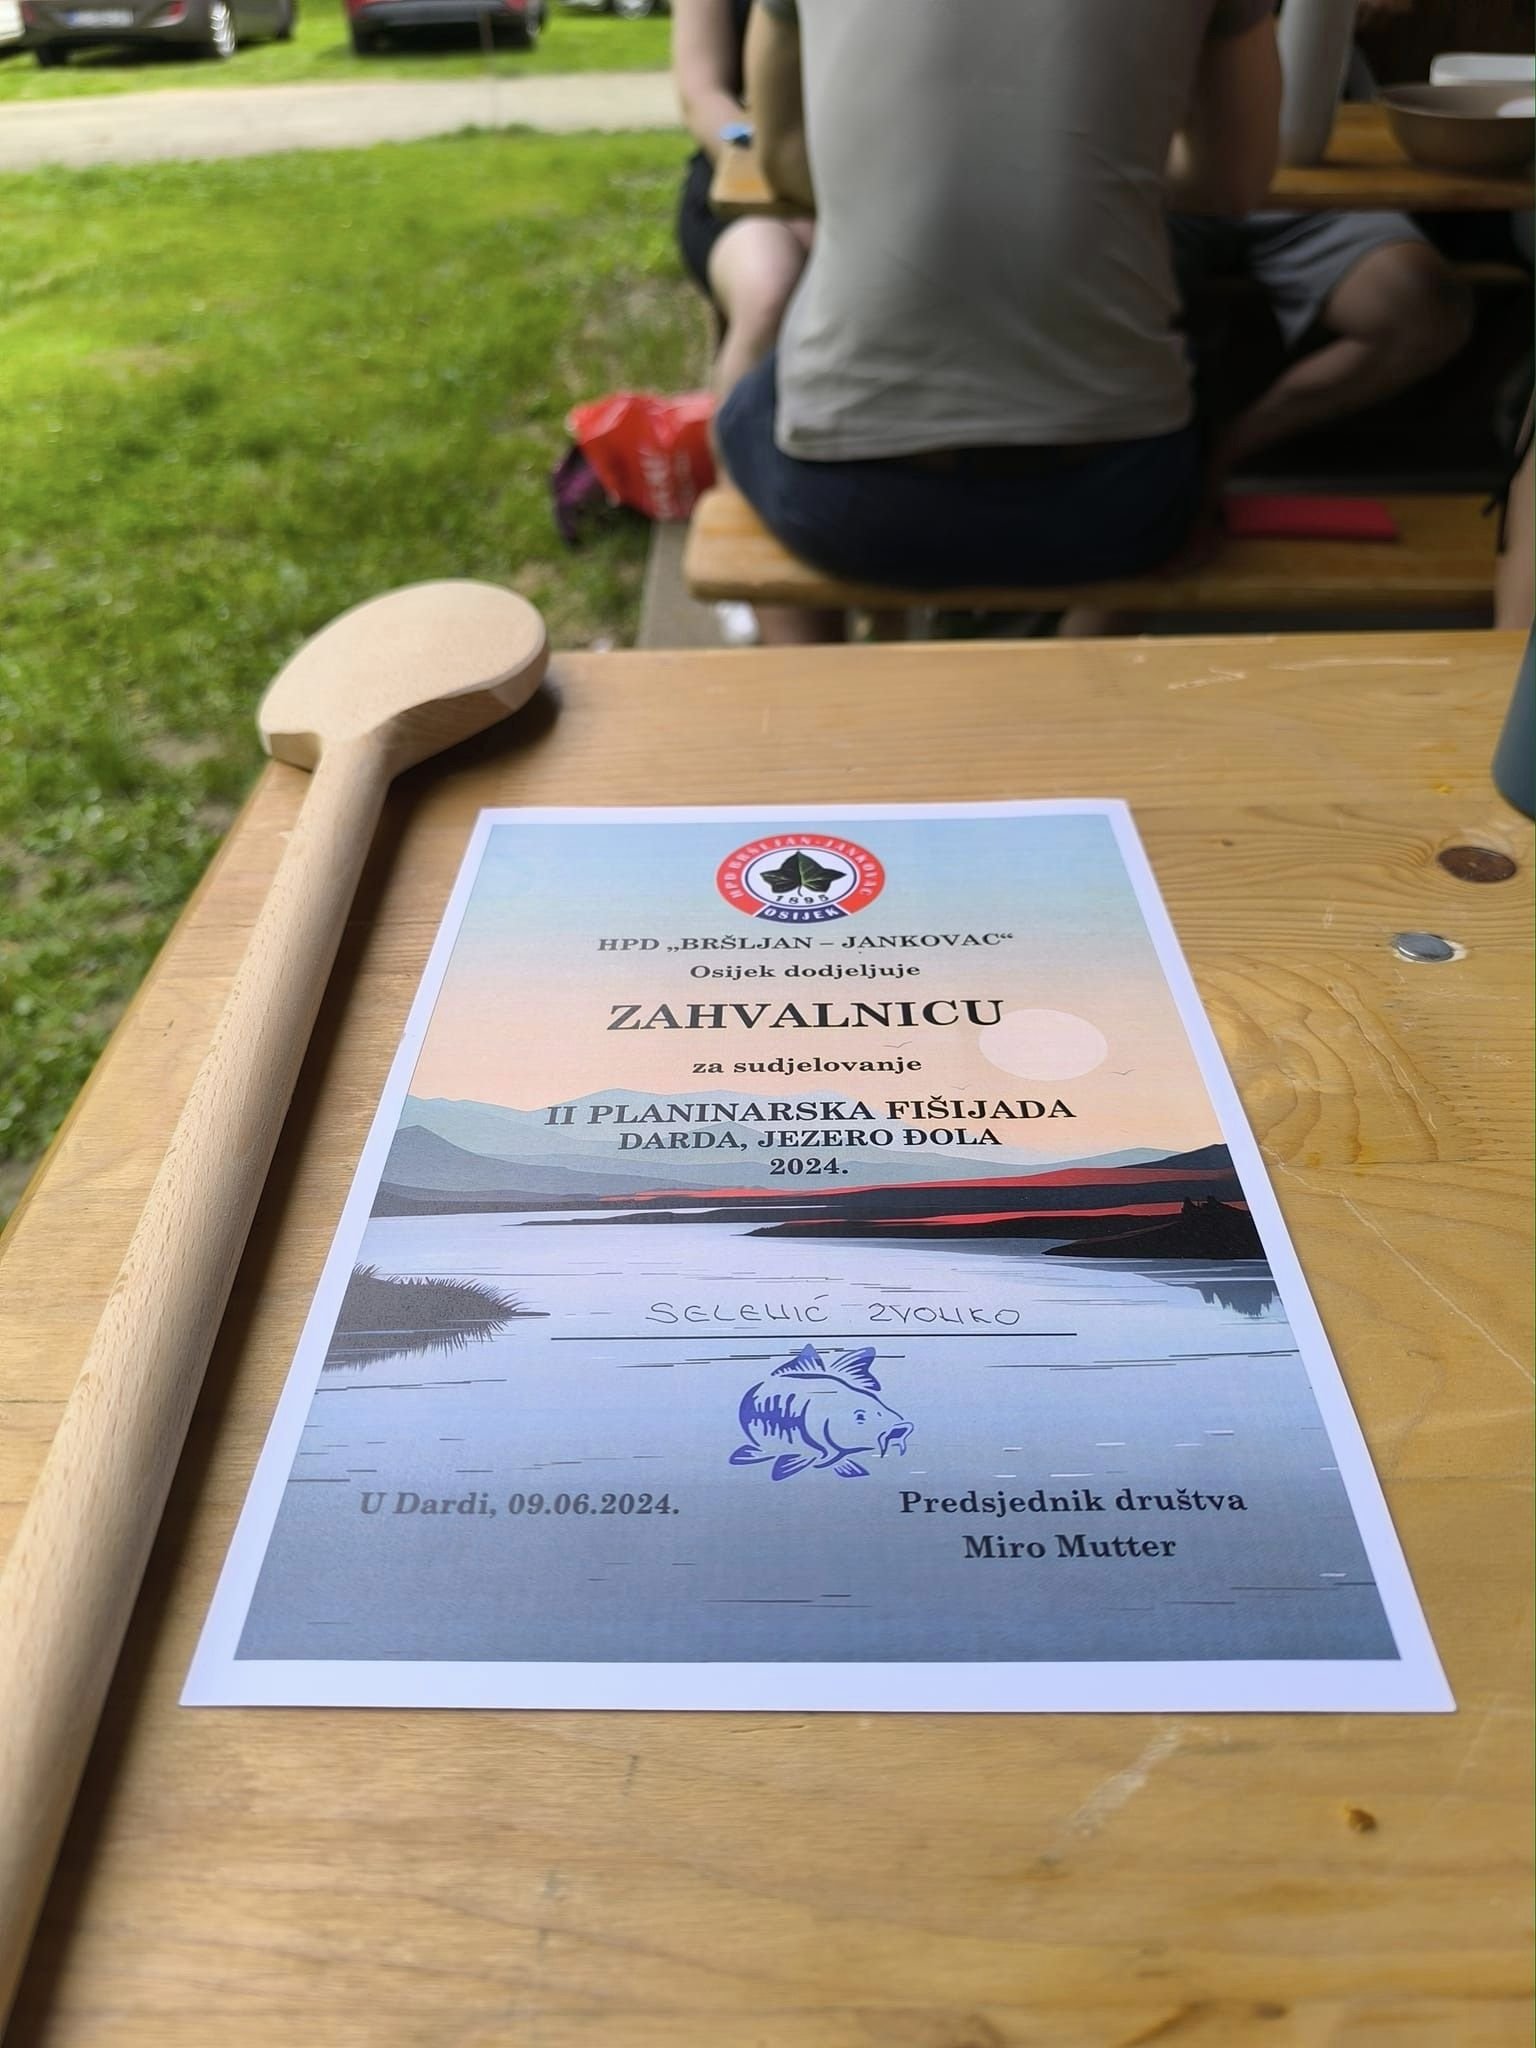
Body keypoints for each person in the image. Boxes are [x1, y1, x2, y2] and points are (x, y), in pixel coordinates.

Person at [718, 0, 1282, 594]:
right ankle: (1085, 645)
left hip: (854, 505)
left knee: (746, 404)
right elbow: (1232, 182)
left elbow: (785, 161)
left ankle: (811, 651)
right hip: (1117, 501)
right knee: (1190, 392)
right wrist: (1112, 165)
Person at [672, 0, 812, 401]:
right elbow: (702, 95)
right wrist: (783, 184)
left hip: (875, 178)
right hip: (742, 179)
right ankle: (730, 441)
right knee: (768, 287)